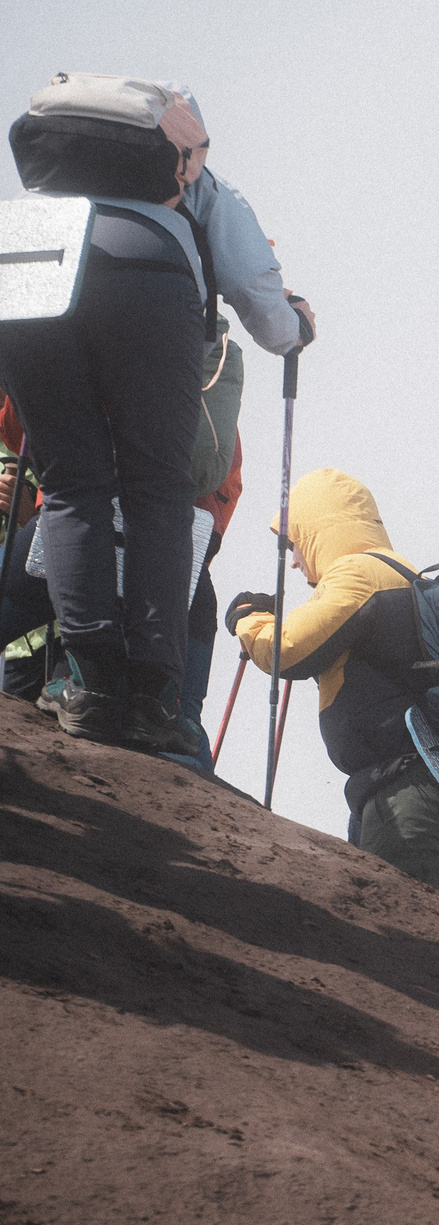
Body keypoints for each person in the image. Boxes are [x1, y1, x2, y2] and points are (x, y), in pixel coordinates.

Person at [1, 79, 312, 751]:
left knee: (71, 483)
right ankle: (150, 696)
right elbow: (255, 284)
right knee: (158, 490)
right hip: (148, 270)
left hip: (26, 264)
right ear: (181, 145)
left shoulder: (53, 159)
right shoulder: (190, 171)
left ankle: (86, 683)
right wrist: (293, 328)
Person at [228, 470, 439, 897]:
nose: (293, 561)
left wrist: (249, 619)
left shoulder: (357, 575)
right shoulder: (406, 571)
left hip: (409, 794)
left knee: (405, 937)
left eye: (295, 544)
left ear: (317, 532)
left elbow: (287, 651)